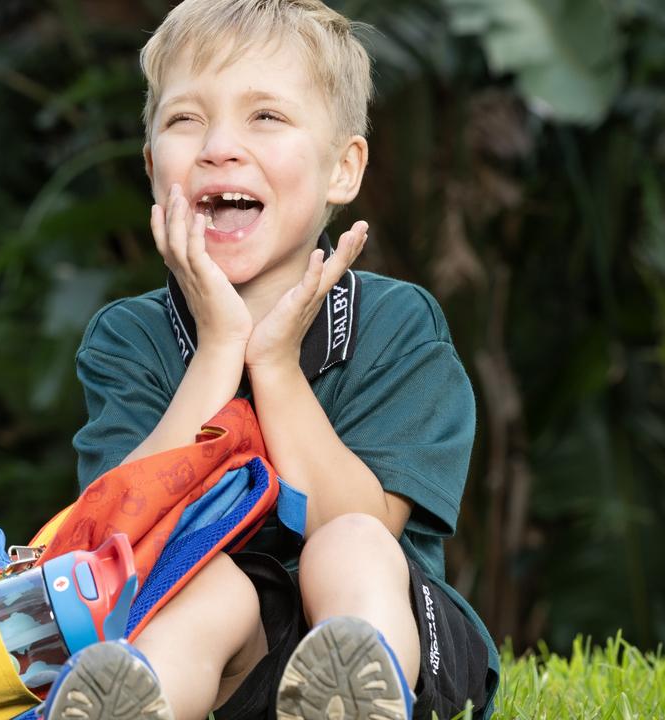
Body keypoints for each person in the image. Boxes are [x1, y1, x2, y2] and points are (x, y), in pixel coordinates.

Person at [40, 1, 500, 719]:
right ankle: (137, 699)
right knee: (196, 579)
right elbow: (120, 534)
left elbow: (360, 517)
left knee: (349, 542)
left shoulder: (396, 324)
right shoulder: (127, 338)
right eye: (185, 119)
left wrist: (277, 367)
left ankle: (354, 704)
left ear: (341, 170)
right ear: (153, 167)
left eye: (266, 117)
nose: (219, 146)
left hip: (390, 633)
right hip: (225, 662)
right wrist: (220, 347)